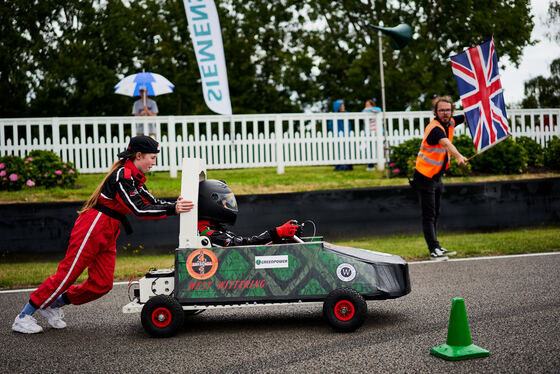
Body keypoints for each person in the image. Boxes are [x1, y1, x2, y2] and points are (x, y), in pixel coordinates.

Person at [12, 136, 194, 334]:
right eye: (152, 157)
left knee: (102, 284)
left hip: (109, 229)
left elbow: (152, 201)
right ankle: (23, 316)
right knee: (67, 274)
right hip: (93, 226)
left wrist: (175, 205)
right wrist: (173, 209)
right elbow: (139, 210)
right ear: (139, 155)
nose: (154, 162)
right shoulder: (123, 175)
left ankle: (53, 305)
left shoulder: (135, 177)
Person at [410, 96, 468, 261]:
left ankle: (437, 247)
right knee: (429, 214)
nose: (445, 113)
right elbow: (446, 144)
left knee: (436, 213)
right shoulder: (434, 128)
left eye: (448, 110)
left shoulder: (450, 122)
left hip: (436, 176)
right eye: (441, 110)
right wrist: (458, 156)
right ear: (435, 112)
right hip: (424, 176)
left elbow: (466, 116)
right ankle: (433, 249)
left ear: (452, 111)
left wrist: (479, 107)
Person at [197, 179, 300, 246]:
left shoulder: (215, 229)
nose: (228, 206)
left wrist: (281, 238)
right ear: (210, 204)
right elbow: (245, 246)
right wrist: (278, 232)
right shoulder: (208, 233)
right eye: (225, 203)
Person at [328, 100, 353, 171]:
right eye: (341, 106)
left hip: (346, 135)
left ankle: (348, 166)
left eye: (343, 106)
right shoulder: (334, 115)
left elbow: (349, 125)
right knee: (339, 151)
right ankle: (339, 166)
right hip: (338, 136)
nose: (343, 107)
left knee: (347, 151)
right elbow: (330, 126)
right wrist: (336, 132)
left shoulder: (346, 114)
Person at [362, 99, 382, 171]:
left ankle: (377, 164)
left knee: (377, 149)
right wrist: (367, 110)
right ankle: (370, 165)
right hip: (368, 133)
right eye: (366, 105)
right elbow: (362, 113)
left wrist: (369, 109)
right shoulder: (365, 111)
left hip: (376, 133)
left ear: (372, 105)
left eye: (368, 105)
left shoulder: (375, 110)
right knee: (369, 149)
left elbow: (379, 109)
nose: (366, 106)